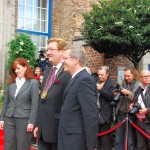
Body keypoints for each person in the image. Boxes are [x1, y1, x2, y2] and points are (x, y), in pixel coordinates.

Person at [58, 47, 99, 150]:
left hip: (76, 141)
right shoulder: (75, 78)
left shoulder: (84, 80)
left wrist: (91, 146)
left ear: (75, 60)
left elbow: (90, 114)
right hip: (68, 137)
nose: (62, 61)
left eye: (65, 58)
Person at [34, 38, 71, 150]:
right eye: (47, 49)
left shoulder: (67, 72)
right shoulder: (48, 71)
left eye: (51, 49)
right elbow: (42, 99)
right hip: (42, 130)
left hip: (57, 129)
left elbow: (68, 103)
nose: (48, 52)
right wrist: (37, 124)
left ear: (61, 51)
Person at [0, 58, 39, 150]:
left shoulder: (33, 83)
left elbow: (35, 104)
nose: (16, 71)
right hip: (9, 118)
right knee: (8, 146)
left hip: (24, 119)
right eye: (15, 69)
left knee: (22, 146)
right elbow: (6, 102)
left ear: (25, 67)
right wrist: (1, 119)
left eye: (18, 68)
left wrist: (31, 122)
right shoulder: (11, 83)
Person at [115, 67, 141, 150]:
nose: (126, 78)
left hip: (130, 115)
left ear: (134, 74)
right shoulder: (123, 84)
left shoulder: (138, 85)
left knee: (130, 139)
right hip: (120, 113)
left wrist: (128, 93)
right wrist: (116, 93)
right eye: (125, 76)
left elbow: (139, 100)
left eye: (128, 76)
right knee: (118, 138)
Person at [96, 66, 115, 150]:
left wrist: (101, 89)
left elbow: (111, 97)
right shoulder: (96, 82)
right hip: (96, 115)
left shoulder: (112, 84)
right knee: (96, 140)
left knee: (106, 141)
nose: (100, 76)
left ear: (107, 74)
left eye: (102, 75)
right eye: (99, 75)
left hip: (105, 116)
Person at [131, 70, 150, 150]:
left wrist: (148, 110)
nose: (147, 78)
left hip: (149, 121)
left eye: (148, 76)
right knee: (141, 145)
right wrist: (132, 105)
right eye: (144, 76)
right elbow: (136, 101)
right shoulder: (139, 89)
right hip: (139, 121)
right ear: (141, 78)